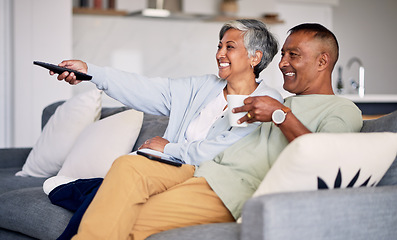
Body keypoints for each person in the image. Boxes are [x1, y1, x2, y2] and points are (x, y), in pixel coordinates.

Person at [66, 23, 363, 240]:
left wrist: (278, 114)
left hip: (226, 189)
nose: (283, 63)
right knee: (122, 185)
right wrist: (93, 72)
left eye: (293, 55)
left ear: (323, 61)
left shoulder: (338, 110)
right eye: (283, 55)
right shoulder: (281, 102)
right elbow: (148, 89)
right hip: (199, 176)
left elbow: (325, 159)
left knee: (122, 219)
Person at [49, 19, 283, 239]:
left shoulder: (264, 100)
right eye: (219, 46)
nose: (220, 54)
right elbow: (146, 89)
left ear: (255, 57)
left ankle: (83, 193)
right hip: (172, 167)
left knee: (125, 180)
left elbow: (223, 149)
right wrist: (91, 72)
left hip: (204, 176)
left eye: (229, 47)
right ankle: (86, 192)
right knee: (125, 177)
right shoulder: (204, 86)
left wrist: (171, 148)